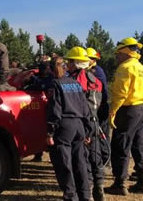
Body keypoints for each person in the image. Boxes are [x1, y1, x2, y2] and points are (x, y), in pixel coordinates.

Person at [107, 37, 143, 195]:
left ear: (125, 52)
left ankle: (120, 184)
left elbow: (120, 93)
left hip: (127, 110)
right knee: (141, 145)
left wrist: (113, 111)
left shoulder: (124, 68)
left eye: (118, 54)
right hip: (141, 109)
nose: (117, 57)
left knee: (121, 145)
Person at [46, 57, 91, 201]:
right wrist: (88, 130)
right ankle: (85, 195)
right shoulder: (76, 84)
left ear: (52, 69)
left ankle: (71, 196)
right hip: (79, 126)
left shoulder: (56, 84)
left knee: (64, 163)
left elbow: (55, 109)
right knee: (80, 163)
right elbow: (85, 108)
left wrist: (50, 132)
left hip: (64, 126)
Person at [65, 47, 105, 201]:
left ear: (75, 63)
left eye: (69, 61)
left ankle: (86, 191)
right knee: (96, 156)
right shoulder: (95, 80)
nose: (67, 64)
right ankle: (99, 186)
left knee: (83, 158)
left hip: (82, 122)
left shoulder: (74, 81)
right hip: (94, 121)